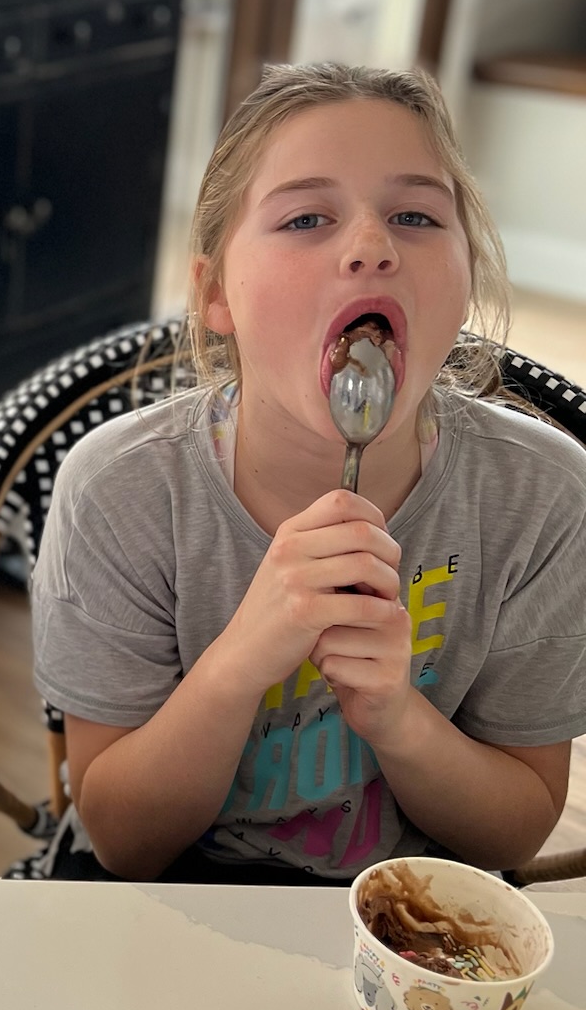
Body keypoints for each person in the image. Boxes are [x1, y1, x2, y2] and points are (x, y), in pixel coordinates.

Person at [31, 62, 586, 883]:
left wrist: (397, 717)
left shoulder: (542, 498)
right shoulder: (121, 493)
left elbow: (507, 842)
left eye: (415, 215)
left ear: (467, 274)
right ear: (217, 294)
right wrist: (241, 662)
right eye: (305, 219)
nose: (372, 247)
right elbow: (122, 841)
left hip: (407, 910)